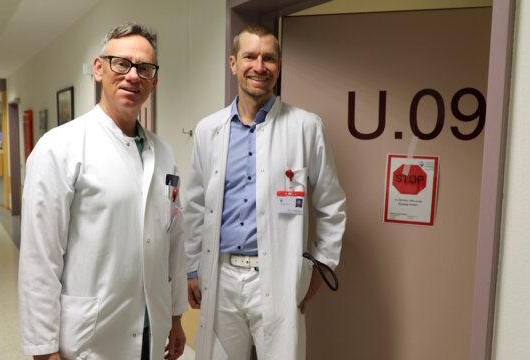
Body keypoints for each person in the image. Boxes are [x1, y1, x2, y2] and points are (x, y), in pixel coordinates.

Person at [18, 23, 187, 360]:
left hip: (151, 328)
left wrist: (176, 315)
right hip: (90, 336)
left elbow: (174, 240)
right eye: (121, 63)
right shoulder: (59, 147)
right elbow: (40, 258)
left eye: (144, 68)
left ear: (154, 79)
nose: (133, 76)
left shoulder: (164, 153)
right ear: (99, 68)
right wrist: (43, 349)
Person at [182, 24, 347, 359]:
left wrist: (321, 264)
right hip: (221, 275)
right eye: (250, 56)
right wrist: (191, 268)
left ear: (279, 65)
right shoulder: (208, 130)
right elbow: (196, 205)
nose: (259, 66)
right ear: (233, 63)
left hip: (279, 276)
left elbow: (331, 202)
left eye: (269, 58)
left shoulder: (305, 126)